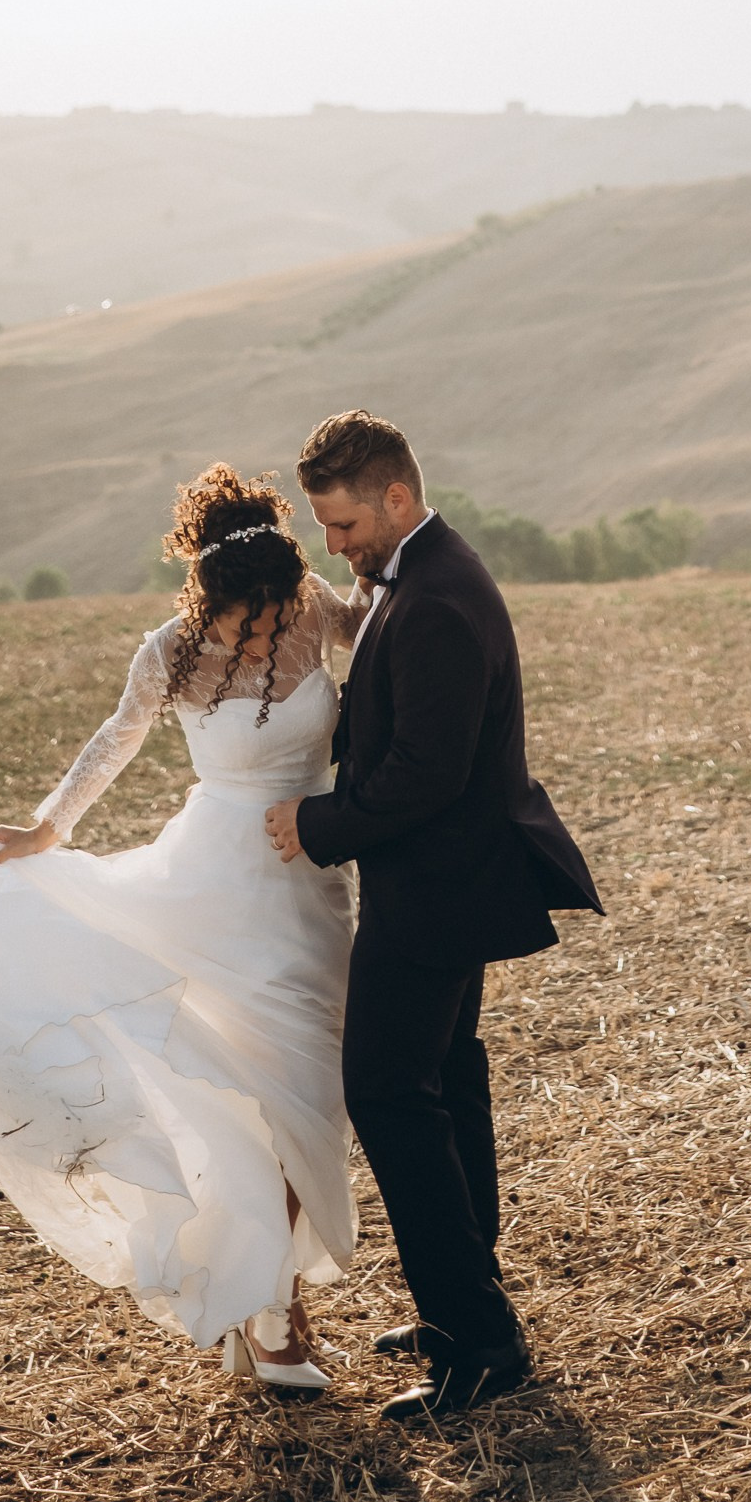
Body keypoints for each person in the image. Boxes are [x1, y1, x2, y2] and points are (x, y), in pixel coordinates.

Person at [0, 466, 364, 1391]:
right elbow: (116, 739)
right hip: (216, 887)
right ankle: (275, 1316)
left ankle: (267, 1303)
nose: (262, 622)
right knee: (266, 1099)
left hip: (313, 881)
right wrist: (49, 827)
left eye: (273, 601)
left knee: (315, 1099)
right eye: (245, 607)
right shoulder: (168, 652)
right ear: (209, 595)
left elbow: (377, 632)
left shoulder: (311, 602)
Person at [266, 408, 603, 1421]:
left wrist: (315, 823)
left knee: (386, 1092)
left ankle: (478, 1344)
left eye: (342, 525)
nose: (333, 546)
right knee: (448, 1083)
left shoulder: (440, 602)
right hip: (443, 881)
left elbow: (425, 773)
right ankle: (470, 1303)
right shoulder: (419, 578)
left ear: (395, 499)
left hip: (438, 888)